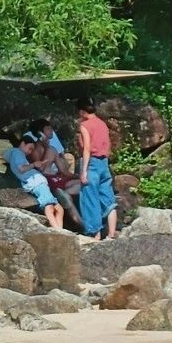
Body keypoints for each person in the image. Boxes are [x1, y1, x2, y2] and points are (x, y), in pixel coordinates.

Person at [3, 131, 64, 229]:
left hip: (38, 182)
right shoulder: (17, 152)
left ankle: (60, 229)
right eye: (30, 148)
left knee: (59, 209)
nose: (30, 152)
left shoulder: (16, 155)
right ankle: (58, 230)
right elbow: (21, 168)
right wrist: (34, 164)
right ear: (23, 143)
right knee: (49, 206)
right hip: (37, 183)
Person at [76, 97, 117, 240]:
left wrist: (84, 171)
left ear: (82, 111)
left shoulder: (85, 126)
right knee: (108, 199)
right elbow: (108, 145)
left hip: (92, 163)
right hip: (104, 162)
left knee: (89, 198)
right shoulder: (102, 124)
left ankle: (95, 235)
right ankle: (111, 234)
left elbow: (87, 148)